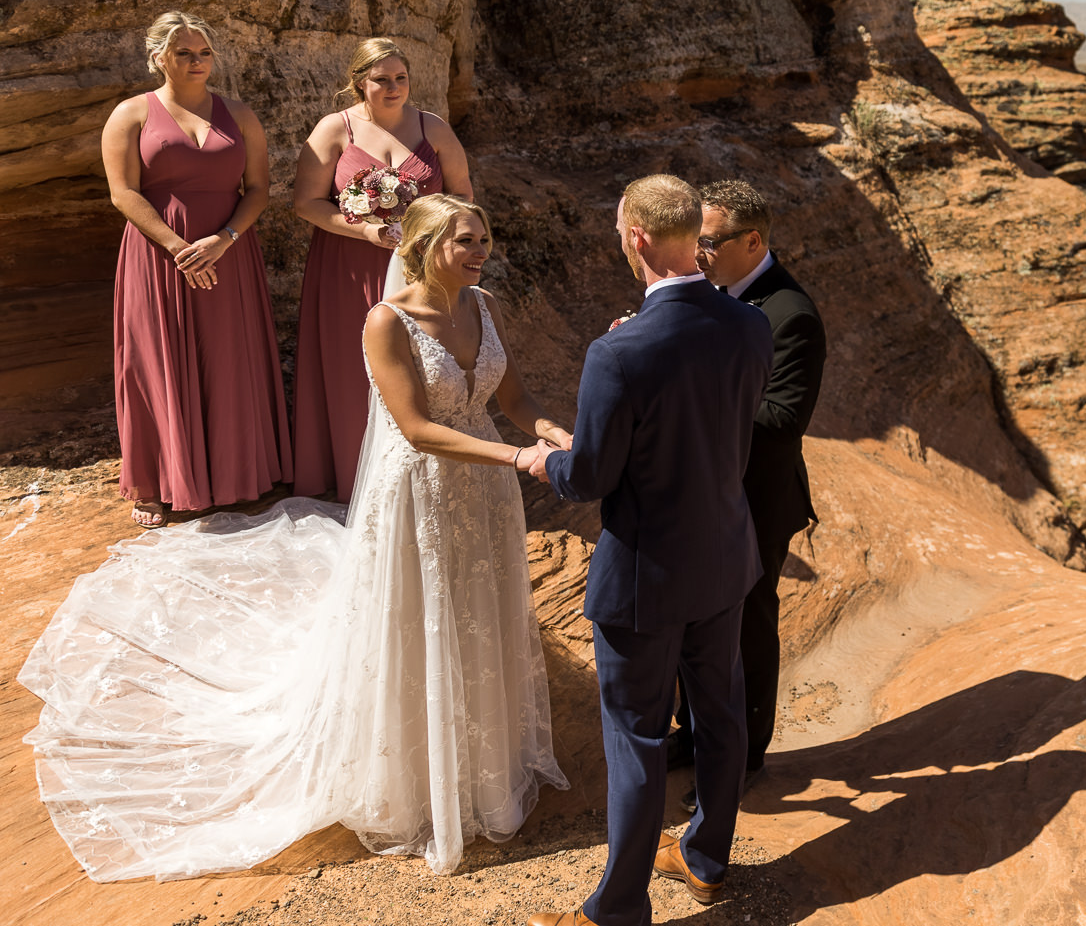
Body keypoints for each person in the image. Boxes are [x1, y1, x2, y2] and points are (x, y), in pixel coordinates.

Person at [20, 194, 570, 881]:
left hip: (482, 487)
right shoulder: (385, 320)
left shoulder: (483, 305)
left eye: (484, 236)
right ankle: (414, 776)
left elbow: (513, 398)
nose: (480, 249)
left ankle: (479, 760)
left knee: (474, 609)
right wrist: (518, 458)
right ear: (428, 246)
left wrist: (551, 431)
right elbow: (417, 427)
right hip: (421, 489)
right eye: (466, 240)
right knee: (417, 617)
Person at [527, 175, 773, 926]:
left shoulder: (619, 351)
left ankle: (618, 910)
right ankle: (705, 859)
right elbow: (708, 423)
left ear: (636, 236)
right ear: (693, 235)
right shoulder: (748, 325)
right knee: (720, 714)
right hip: (726, 557)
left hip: (645, 577)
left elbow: (591, 475)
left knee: (634, 734)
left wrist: (543, 458)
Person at [101, 11, 291, 526]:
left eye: (204, 52)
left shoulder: (241, 115)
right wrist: (178, 247)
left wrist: (223, 240)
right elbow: (123, 192)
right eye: (184, 53)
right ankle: (154, 483)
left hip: (228, 253)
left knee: (229, 358)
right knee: (155, 362)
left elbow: (258, 190)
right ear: (159, 57)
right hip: (159, 254)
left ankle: (237, 475)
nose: (197, 62)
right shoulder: (131, 114)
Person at [669, 180, 827, 802]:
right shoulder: (705, 294)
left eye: (707, 241)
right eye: (692, 240)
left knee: (745, 627)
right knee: (692, 619)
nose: (696, 253)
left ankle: (744, 755)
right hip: (702, 491)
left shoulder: (791, 315)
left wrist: (693, 399)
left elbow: (783, 419)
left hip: (754, 498)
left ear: (752, 240)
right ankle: (693, 733)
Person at [292, 37, 472, 500]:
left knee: (418, 365)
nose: (393, 88)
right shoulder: (335, 129)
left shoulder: (434, 129)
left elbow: (464, 196)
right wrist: (364, 231)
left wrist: (431, 236)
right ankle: (353, 477)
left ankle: (416, 472)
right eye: (381, 80)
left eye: (401, 78)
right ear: (359, 83)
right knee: (351, 365)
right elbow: (305, 202)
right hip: (347, 266)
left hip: (418, 267)